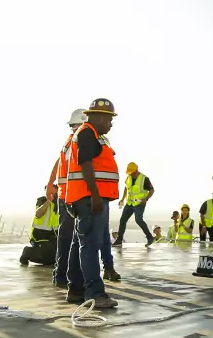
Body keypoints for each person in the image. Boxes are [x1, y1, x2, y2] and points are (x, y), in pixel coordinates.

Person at [64, 98, 121, 308]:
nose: (111, 124)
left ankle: (76, 289)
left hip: (87, 198)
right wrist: (95, 195)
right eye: (109, 120)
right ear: (98, 117)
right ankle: (96, 293)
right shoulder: (88, 133)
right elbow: (86, 164)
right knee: (90, 246)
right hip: (90, 199)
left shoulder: (93, 134)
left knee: (81, 245)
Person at [48, 108, 86, 289]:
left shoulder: (69, 141)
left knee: (67, 237)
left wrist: (50, 183)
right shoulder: (77, 141)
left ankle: (61, 275)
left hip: (66, 194)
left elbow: (59, 162)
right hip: (72, 195)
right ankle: (65, 276)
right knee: (71, 238)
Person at [113, 162, 154, 247]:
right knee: (122, 220)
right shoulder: (129, 177)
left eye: (132, 172)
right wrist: (123, 198)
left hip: (139, 203)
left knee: (138, 220)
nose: (130, 174)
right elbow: (126, 188)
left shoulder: (144, 179)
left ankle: (150, 238)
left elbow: (152, 190)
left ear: (136, 170)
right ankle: (119, 240)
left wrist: (146, 199)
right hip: (130, 202)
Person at [20, 195, 59, 266]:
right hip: (41, 238)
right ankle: (27, 252)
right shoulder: (43, 201)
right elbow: (38, 213)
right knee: (45, 256)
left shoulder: (61, 202)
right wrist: (49, 201)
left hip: (55, 239)